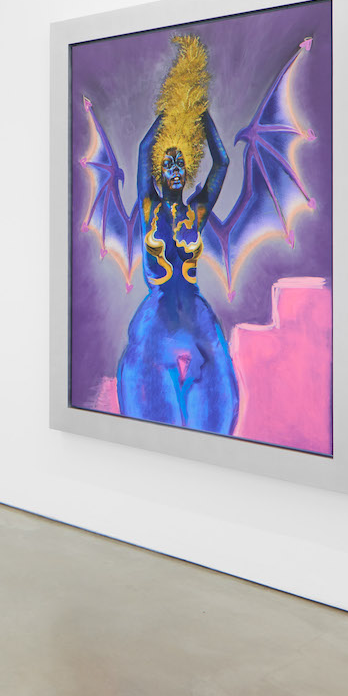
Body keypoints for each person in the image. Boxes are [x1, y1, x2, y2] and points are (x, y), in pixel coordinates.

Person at [116, 36, 238, 433]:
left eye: (180, 162)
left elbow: (222, 162)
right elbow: (143, 148)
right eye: (167, 162)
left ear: (186, 171)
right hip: (156, 318)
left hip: (195, 315)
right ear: (158, 169)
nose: (173, 167)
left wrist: (199, 111)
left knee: (216, 394)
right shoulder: (149, 205)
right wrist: (172, 111)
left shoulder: (196, 212)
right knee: (149, 401)